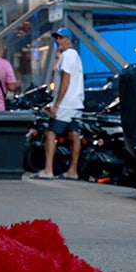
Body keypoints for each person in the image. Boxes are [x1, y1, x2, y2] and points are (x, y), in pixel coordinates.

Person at [34, 28, 84, 180]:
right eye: (57, 38)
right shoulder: (75, 55)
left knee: (50, 133)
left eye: (61, 38)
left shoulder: (67, 55)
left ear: (69, 39)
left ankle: (48, 170)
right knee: (74, 135)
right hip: (76, 103)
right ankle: (72, 171)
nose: (58, 41)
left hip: (66, 103)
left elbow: (65, 80)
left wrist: (57, 104)